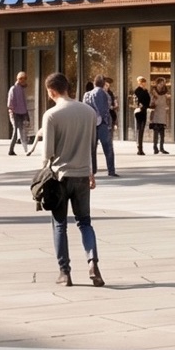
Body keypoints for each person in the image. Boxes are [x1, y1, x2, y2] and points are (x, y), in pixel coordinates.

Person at [40, 72, 104, 286]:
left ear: (51, 91)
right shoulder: (89, 112)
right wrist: (91, 172)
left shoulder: (51, 115)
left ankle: (65, 272)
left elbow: (47, 154)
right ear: (67, 87)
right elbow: (91, 146)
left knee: (60, 224)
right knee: (85, 222)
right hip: (83, 174)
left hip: (60, 176)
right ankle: (92, 262)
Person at [84, 76, 119, 178]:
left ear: (94, 83)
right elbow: (106, 110)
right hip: (103, 124)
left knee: (92, 149)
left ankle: (93, 170)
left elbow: (85, 108)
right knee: (108, 148)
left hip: (91, 124)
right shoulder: (105, 94)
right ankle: (111, 170)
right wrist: (108, 123)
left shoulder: (87, 94)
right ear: (103, 84)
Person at [5, 72, 33, 156]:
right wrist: (12, 111)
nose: (24, 81)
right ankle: (11, 150)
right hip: (15, 113)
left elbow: (24, 103)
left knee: (22, 131)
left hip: (22, 113)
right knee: (15, 131)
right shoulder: (13, 89)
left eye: (25, 79)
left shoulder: (22, 89)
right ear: (19, 79)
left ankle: (26, 150)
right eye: (23, 79)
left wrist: (26, 114)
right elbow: (10, 103)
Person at [126, 76, 152, 155]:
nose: (143, 84)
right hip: (139, 111)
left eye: (144, 82)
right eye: (142, 82)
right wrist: (141, 106)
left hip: (144, 110)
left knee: (141, 129)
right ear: (139, 83)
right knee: (139, 129)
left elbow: (147, 101)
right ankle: (139, 147)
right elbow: (136, 102)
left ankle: (140, 147)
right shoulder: (137, 91)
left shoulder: (145, 91)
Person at [148, 76, 170, 153]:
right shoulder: (153, 92)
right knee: (156, 132)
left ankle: (161, 147)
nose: (161, 85)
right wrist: (153, 102)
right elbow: (151, 103)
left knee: (162, 133)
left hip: (163, 113)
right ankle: (155, 147)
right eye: (160, 83)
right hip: (156, 113)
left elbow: (167, 102)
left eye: (163, 84)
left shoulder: (165, 92)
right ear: (157, 84)